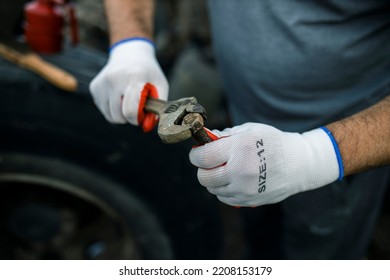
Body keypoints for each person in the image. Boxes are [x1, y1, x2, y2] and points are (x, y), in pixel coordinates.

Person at [90, 0, 390, 259]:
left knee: (321, 250)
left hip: (344, 148)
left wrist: (313, 155)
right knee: (259, 235)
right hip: (243, 108)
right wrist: (131, 44)